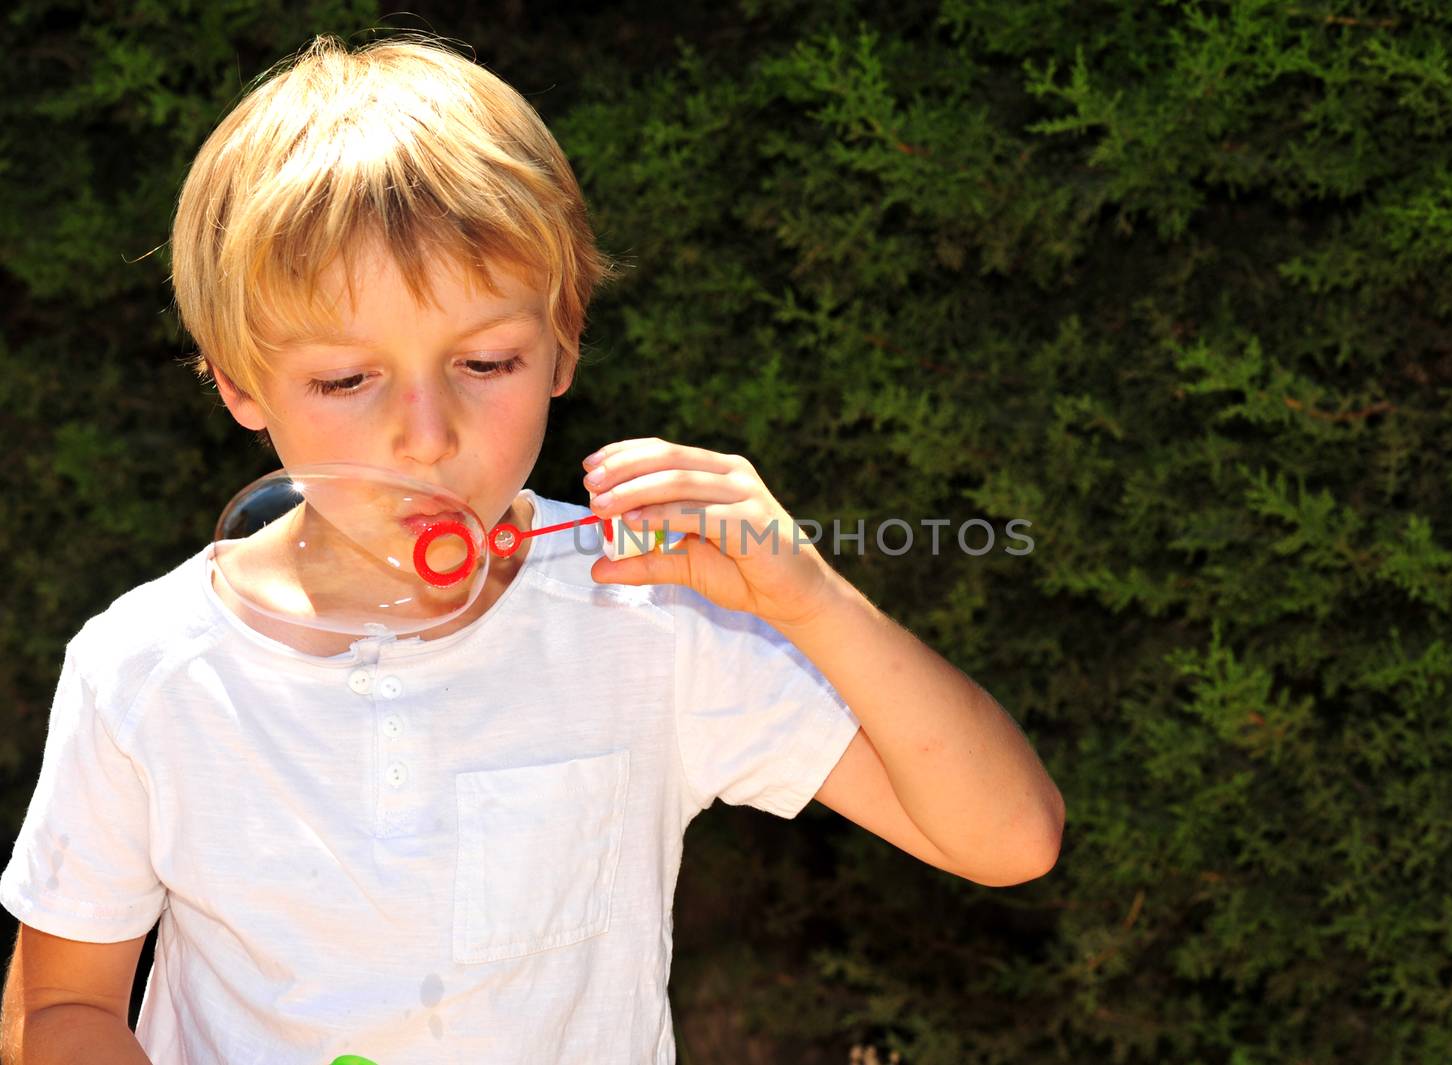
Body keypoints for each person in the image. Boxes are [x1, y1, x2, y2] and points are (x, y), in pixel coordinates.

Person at [0, 32, 1065, 1064]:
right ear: (238, 383)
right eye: (345, 380)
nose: (426, 434)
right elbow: (59, 1005)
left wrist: (812, 604)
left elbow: (1009, 838)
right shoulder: (148, 668)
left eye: (487, 361)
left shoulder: (647, 612)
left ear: (563, 340)